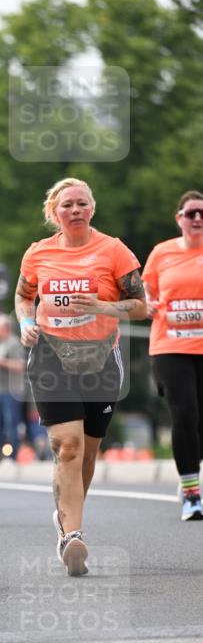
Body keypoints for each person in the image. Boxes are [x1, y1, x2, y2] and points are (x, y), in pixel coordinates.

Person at [15, 178, 146, 576]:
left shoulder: (113, 250)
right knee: (67, 446)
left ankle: (65, 517)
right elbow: (24, 296)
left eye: (82, 204)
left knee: (88, 452)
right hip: (51, 357)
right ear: (54, 212)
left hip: (100, 360)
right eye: (67, 204)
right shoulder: (38, 253)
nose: (75, 210)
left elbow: (141, 307)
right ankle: (73, 536)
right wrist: (25, 322)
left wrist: (105, 307)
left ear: (92, 208)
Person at [142, 189, 203, 521]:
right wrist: (147, 302)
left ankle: (190, 473)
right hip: (170, 347)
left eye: (202, 214)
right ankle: (192, 494)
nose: (197, 219)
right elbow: (144, 288)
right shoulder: (162, 253)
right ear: (179, 218)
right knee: (184, 415)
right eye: (191, 213)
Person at [0, 313, 25, 463]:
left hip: (12, 390)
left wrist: (0, 363)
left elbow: (21, 365)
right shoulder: (0, 343)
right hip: (0, 390)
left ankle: (12, 456)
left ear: (5, 328)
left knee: (11, 425)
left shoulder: (13, 343)